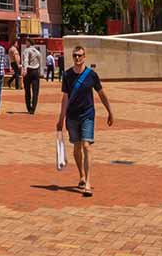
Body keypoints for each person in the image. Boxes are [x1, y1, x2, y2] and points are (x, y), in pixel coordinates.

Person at [56, 46, 114, 197]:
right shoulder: (67, 75)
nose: (77, 58)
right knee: (76, 147)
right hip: (72, 116)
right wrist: (61, 119)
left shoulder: (91, 75)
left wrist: (110, 111)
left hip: (87, 115)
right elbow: (65, 98)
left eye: (80, 56)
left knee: (86, 146)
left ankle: (88, 182)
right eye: (75, 55)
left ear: (85, 57)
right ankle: (81, 174)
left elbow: (101, 93)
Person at [20, 37, 45, 114]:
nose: (25, 43)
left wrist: (25, 70)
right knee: (35, 90)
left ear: (29, 42)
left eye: (26, 42)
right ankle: (33, 108)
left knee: (27, 90)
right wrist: (41, 72)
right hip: (35, 71)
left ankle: (28, 107)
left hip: (29, 70)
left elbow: (26, 60)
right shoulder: (37, 52)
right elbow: (41, 62)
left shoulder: (27, 50)